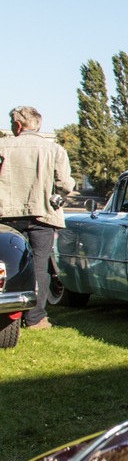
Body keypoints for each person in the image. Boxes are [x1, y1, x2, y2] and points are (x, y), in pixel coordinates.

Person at [0, 106, 76, 330]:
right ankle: (36, 319)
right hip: (43, 215)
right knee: (39, 266)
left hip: (7, 216)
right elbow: (65, 185)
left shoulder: (3, 146)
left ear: (17, 125)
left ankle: (8, 312)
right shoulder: (54, 150)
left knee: (8, 264)